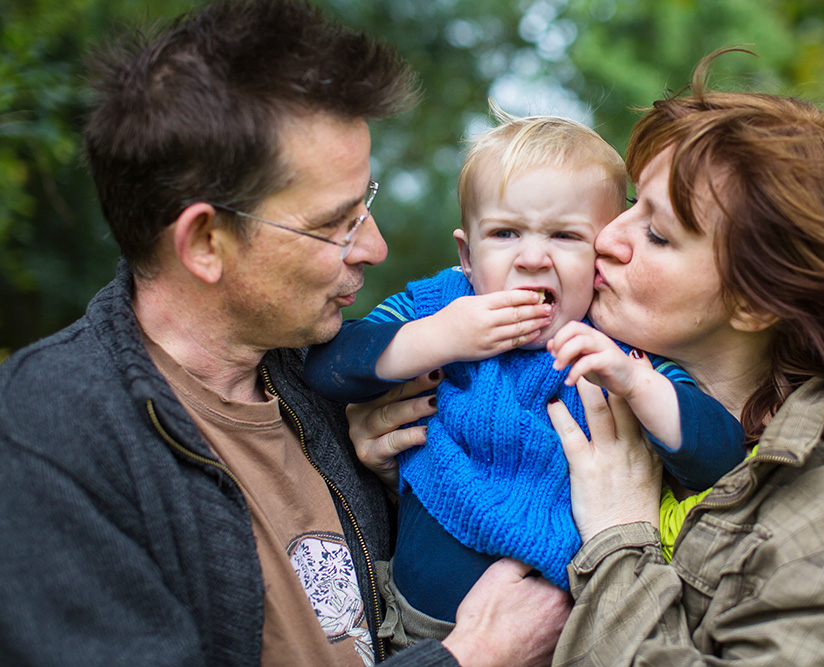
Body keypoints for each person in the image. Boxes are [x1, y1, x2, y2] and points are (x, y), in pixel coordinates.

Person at [0, 1, 571, 665]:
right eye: (336, 222)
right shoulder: (48, 438)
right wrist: (469, 656)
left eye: (369, 202)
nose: (376, 247)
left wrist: (395, 482)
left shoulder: (325, 379)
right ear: (206, 241)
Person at [539, 50, 824, 664]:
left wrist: (620, 536)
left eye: (657, 233)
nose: (607, 238)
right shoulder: (612, 385)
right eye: (631, 204)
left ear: (758, 301)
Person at [302, 108, 745, 649]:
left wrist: (636, 382)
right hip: (413, 631)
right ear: (467, 254)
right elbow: (327, 367)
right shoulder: (441, 306)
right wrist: (438, 338)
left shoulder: (617, 349)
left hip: (560, 638)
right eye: (506, 233)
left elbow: (720, 454)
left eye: (564, 236)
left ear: (600, 255)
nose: (533, 257)